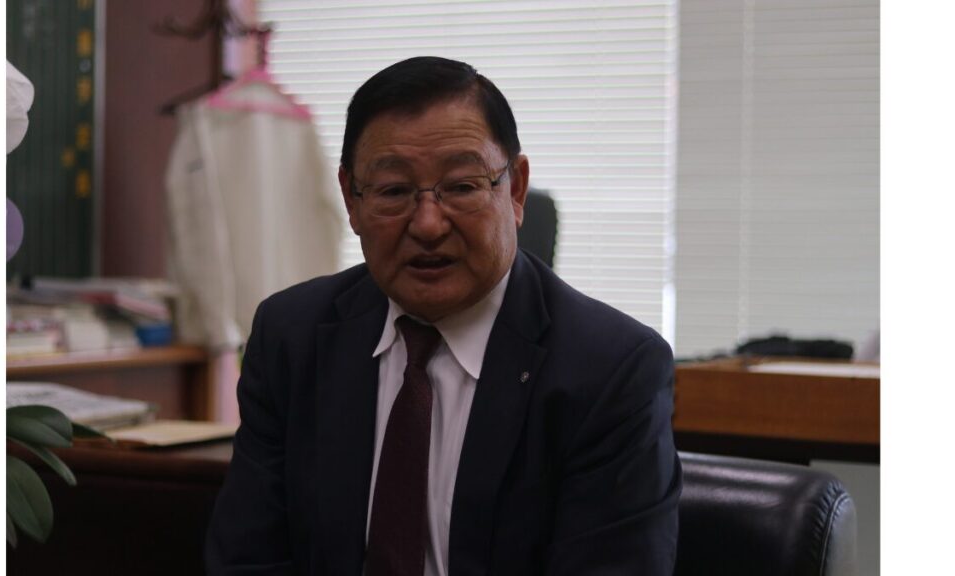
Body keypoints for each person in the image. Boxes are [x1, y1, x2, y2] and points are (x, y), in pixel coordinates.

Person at [206, 56, 681, 576]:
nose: (428, 225)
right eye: (393, 191)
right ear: (351, 199)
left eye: (461, 186)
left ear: (515, 189)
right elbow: (246, 560)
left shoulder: (611, 369)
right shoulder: (291, 337)